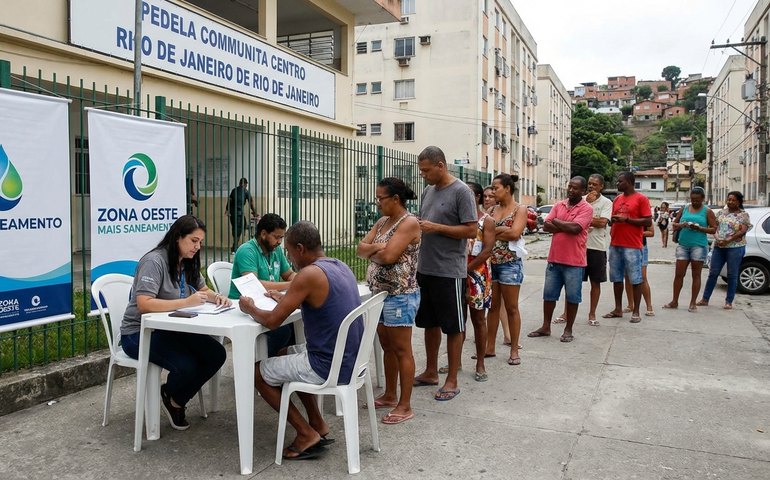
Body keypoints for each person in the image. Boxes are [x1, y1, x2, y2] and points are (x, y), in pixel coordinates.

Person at [240, 221, 362, 460]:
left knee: (255, 373)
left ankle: (305, 433)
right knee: (284, 353)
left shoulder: (308, 274)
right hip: (349, 357)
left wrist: (250, 308)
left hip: (327, 364)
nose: (289, 257)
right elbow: (315, 299)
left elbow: (273, 321)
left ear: (300, 248)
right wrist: (284, 297)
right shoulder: (338, 265)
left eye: (289, 251)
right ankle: (317, 423)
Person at [120, 215, 230, 431]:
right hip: (139, 333)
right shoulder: (154, 261)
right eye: (194, 241)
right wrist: (185, 301)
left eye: (200, 242)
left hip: (173, 328)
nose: (197, 247)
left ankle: (175, 397)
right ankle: (173, 397)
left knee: (216, 354)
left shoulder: (187, 260)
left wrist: (216, 297)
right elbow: (144, 304)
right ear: (178, 237)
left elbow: (202, 290)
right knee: (187, 366)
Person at [411, 146, 476, 402]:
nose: (423, 175)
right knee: (429, 323)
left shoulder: (461, 192)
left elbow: (471, 230)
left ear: (441, 165)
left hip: (449, 271)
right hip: (425, 268)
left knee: (453, 326)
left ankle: (452, 378)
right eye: (422, 171)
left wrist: (435, 227)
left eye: (427, 170)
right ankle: (430, 371)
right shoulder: (428, 191)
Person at [356, 177, 420, 425]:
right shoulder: (383, 222)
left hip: (400, 295)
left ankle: (405, 405)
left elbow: (390, 256)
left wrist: (376, 250)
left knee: (402, 349)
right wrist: (376, 249)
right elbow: (359, 249)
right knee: (387, 347)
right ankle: (391, 394)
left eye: (381, 198)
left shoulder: (409, 223)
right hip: (379, 294)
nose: (377, 203)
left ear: (395, 199)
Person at [528, 177, 593, 342]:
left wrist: (557, 222)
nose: (571, 190)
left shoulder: (586, 208)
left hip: (575, 262)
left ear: (584, 191)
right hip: (554, 259)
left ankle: (568, 329)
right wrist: (563, 224)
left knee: (572, 297)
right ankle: (546, 326)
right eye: (570, 187)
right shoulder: (559, 205)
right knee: (549, 295)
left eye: (576, 188)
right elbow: (546, 225)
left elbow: (576, 228)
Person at [228, 213, 296, 357]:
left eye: (281, 238)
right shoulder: (247, 251)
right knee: (282, 330)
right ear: (263, 234)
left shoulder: (276, 250)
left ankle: (279, 365)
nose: (279, 242)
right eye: (277, 237)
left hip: (268, 303)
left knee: (296, 323)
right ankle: (266, 366)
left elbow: (289, 274)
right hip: (244, 306)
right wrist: (290, 284)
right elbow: (254, 284)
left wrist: (297, 281)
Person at [553, 173, 613, 326]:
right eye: (590, 184)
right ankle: (566, 313)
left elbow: (602, 222)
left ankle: (592, 314)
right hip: (578, 247)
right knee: (571, 282)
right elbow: (568, 221)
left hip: (596, 246)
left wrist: (580, 220)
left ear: (601, 187)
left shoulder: (606, 203)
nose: (592, 187)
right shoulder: (580, 200)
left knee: (595, 282)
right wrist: (577, 220)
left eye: (595, 184)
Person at [486, 174, 528, 363]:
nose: (493, 192)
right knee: (493, 307)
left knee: (511, 308)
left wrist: (497, 232)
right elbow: (484, 234)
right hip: (491, 262)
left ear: (508, 189)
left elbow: (515, 233)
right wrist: (502, 231)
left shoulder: (520, 209)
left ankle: (514, 351)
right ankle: (490, 347)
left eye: (496, 188)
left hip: (510, 264)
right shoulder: (492, 209)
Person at [602, 171, 652, 323]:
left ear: (629, 182)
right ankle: (618, 309)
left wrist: (628, 220)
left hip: (632, 245)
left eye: (620, 181)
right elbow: (615, 217)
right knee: (616, 278)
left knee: (635, 279)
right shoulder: (617, 199)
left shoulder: (641, 199)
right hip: (616, 243)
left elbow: (647, 221)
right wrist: (613, 221)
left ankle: (636, 311)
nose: (617, 184)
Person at [664, 187, 716, 312]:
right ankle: (674, 301)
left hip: (698, 245)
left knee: (696, 275)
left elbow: (713, 229)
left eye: (697, 200)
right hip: (683, 244)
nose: (695, 202)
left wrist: (700, 228)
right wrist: (682, 225)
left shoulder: (707, 212)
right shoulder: (685, 208)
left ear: (703, 199)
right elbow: (674, 225)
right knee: (679, 274)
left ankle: (693, 303)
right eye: (693, 200)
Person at [464, 182, 495, 381]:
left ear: (476, 197)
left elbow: (487, 251)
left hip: (478, 275)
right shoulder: (457, 220)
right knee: (457, 320)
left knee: (478, 319)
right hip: (457, 273)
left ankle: (480, 363)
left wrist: (466, 269)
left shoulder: (487, 221)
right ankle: (454, 361)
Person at [698, 191, 751, 309]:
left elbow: (742, 231)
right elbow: (714, 228)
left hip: (735, 248)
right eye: (729, 199)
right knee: (713, 273)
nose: (730, 202)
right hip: (719, 247)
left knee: (732, 274)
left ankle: (729, 301)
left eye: (733, 200)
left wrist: (728, 240)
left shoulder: (743, 215)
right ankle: (705, 299)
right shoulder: (721, 213)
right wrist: (717, 239)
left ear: (739, 202)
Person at [483, 185, 512, 346]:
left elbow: (513, 232)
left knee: (499, 301)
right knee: (491, 302)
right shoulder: (483, 215)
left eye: (491, 196)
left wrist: (493, 230)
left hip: (501, 260)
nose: (487, 199)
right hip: (485, 261)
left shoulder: (501, 212)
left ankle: (507, 335)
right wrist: (498, 230)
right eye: (485, 196)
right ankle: (487, 337)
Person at [623, 223, 655, 316]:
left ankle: (649, 305)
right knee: (627, 277)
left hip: (640, 246)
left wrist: (636, 233)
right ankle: (630, 304)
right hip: (625, 245)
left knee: (642, 277)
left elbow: (651, 232)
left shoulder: (644, 213)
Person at [225, 177, 257, 254]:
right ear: (245, 184)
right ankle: (234, 248)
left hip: (232, 213)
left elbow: (229, 200)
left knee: (235, 228)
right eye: (246, 184)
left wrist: (227, 210)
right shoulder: (246, 191)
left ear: (239, 183)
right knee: (238, 229)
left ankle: (234, 246)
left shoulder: (234, 190)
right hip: (238, 213)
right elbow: (251, 203)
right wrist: (254, 212)